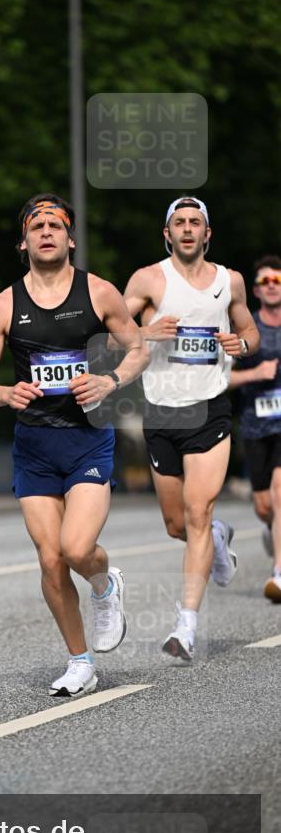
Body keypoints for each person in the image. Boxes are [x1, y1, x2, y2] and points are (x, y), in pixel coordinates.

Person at [0, 193, 149, 697]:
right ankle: (79, 661)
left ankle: (104, 582)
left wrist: (110, 381)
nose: (45, 231)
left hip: (88, 440)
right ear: (22, 242)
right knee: (50, 560)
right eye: (36, 226)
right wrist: (6, 393)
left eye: (55, 224)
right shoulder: (4, 305)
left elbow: (137, 349)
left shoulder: (99, 293)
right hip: (34, 446)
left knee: (75, 549)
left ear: (70, 238)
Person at [123, 196, 260, 659]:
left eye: (194, 223)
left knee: (197, 512)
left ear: (207, 234)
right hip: (163, 411)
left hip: (209, 409)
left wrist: (240, 343)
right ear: (167, 234)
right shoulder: (148, 279)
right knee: (177, 523)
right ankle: (219, 536)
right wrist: (147, 333)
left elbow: (251, 332)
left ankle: (186, 626)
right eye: (178, 222)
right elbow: (110, 331)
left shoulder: (230, 281)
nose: (186, 229)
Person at [229, 255, 281, 602]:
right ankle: (270, 526)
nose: (272, 285)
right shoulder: (247, 331)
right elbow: (220, 378)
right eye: (265, 281)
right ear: (256, 290)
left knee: (280, 489)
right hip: (255, 424)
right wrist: (255, 374)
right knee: (264, 504)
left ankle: (279, 572)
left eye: (277, 279)